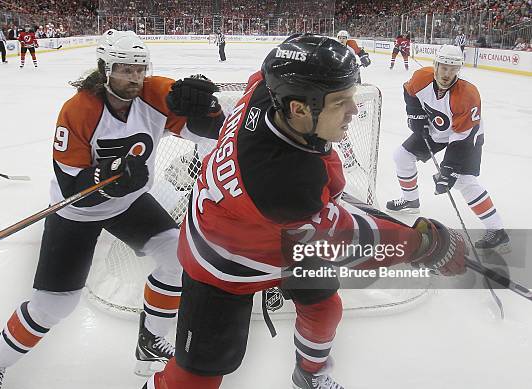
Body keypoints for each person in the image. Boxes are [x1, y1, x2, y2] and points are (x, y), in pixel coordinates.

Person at [143, 33, 467, 389]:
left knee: (324, 307)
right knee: (195, 379)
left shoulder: (265, 92)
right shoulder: (286, 184)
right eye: (341, 102)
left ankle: (310, 375)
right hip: (221, 264)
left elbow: (268, 73)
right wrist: (422, 246)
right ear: (299, 109)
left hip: (273, 232)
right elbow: (350, 240)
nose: (354, 111)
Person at [0, 29, 225, 388]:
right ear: (104, 69)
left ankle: (150, 338)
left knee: (177, 256)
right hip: (77, 213)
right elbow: (71, 189)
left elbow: (212, 131)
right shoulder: (79, 110)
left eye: (139, 69)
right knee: (53, 306)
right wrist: (107, 178)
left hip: (129, 203)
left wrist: (208, 108)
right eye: (124, 69)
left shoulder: (156, 93)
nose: (134, 78)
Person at [386, 44, 510, 252]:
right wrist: (414, 113)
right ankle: (411, 200)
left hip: (467, 136)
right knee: (402, 156)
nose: (447, 74)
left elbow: (461, 138)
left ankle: (497, 231)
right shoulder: (421, 77)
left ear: (458, 70)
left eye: (453, 69)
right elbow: (409, 92)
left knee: (463, 181)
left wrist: (448, 169)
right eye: (444, 67)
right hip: (437, 131)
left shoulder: (467, 94)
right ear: (436, 65)